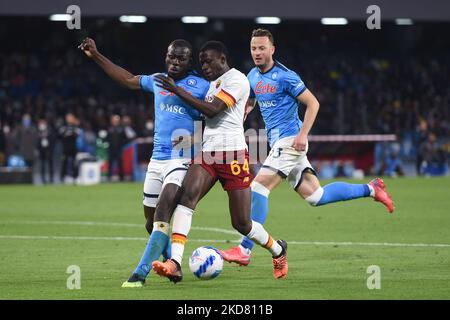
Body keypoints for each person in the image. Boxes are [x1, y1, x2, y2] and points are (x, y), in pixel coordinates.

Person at [220, 28, 395, 266]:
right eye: (254, 48)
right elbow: (251, 98)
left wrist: (303, 134)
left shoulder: (286, 76)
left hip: (291, 140)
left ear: (272, 49)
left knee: (258, 187)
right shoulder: (252, 75)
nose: (257, 53)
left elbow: (313, 103)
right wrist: (244, 111)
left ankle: (245, 250)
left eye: (262, 48)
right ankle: (372, 188)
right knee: (315, 196)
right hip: (277, 142)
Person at [151, 41, 288, 282]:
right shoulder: (213, 85)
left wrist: (177, 90)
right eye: (201, 62)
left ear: (222, 59)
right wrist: (193, 137)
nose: (204, 66)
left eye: (208, 61)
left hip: (233, 156)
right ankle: (174, 262)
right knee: (186, 199)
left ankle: (278, 250)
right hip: (208, 153)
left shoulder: (236, 80)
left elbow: (213, 110)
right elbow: (211, 121)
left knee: (242, 223)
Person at [78, 37, 210, 287]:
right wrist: (96, 55)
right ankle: (172, 263)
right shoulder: (158, 80)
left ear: (189, 61)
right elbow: (127, 79)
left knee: (163, 210)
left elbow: (215, 116)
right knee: (151, 223)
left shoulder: (201, 86)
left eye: (181, 58)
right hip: (157, 160)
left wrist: (196, 137)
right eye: (171, 56)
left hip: (181, 159)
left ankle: (139, 274)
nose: (175, 61)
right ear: (166, 57)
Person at [59, 112, 81, 183]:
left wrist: (73, 130)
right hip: (65, 148)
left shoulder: (75, 126)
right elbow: (61, 134)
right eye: (68, 118)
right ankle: (63, 177)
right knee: (64, 163)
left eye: (71, 118)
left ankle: (75, 177)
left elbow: (77, 134)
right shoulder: (63, 126)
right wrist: (69, 133)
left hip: (73, 147)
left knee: (74, 163)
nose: (69, 119)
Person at [107, 114, 127, 181]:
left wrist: (122, 146)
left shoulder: (121, 129)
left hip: (119, 149)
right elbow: (107, 138)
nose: (116, 121)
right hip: (111, 149)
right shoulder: (109, 128)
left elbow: (125, 138)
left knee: (120, 163)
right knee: (110, 163)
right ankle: (109, 177)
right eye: (114, 120)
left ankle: (121, 177)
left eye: (117, 120)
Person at [36, 118, 56, 184]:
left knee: (50, 165)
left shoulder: (49, 131)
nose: (42, 125)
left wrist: (51, 150)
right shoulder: (38, 132)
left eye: (43, 123)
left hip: (49, 150)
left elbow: (53, 141)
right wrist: (38, 149)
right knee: (42, 166)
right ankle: (43, 179)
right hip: (42, 151)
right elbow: (37, 142)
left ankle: (51, 179)